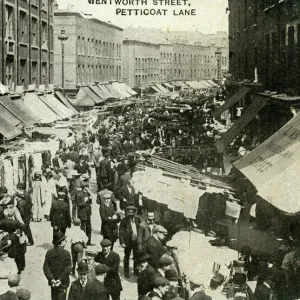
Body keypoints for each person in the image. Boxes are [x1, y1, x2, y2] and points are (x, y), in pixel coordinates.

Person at [43, 232, 72, 300]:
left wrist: (52, 279)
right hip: (62, 284)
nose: (66, 241)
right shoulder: (66, 253)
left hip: (53, 283)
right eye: (65, 240)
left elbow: (45, 267)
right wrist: (60, 279)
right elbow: (68, 269)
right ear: (61, 242)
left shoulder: (49, 252)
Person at [119, 206, 141, 278]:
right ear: (127, 213)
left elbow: (140, 230)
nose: (131, 214)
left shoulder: (138, 220)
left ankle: (136, 270)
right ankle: (126, 272)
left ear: (134, 213)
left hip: (136, 241)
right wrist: (122, 242)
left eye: (132, 212)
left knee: (136, 256)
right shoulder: (124, 221)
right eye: (129, 212)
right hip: (128, 241)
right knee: (127, 257)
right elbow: (121, 232)